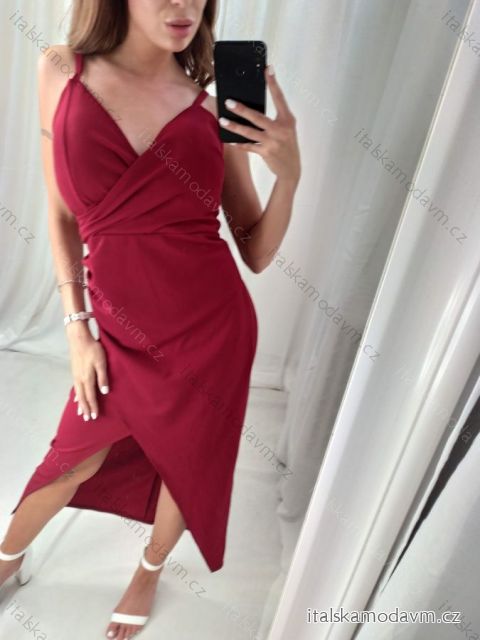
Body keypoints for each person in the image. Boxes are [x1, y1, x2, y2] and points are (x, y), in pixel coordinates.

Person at [0, 1, 301, 638]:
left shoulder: (214, 105)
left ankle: (150, 569)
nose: (182, 5)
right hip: (113, 325)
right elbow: (60, 212)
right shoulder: (61, 69)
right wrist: (77, 327)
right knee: (73, 457)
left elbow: (253, 249)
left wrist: (290, 176)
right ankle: (8, 555)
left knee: (186, 462)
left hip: (212, 328)